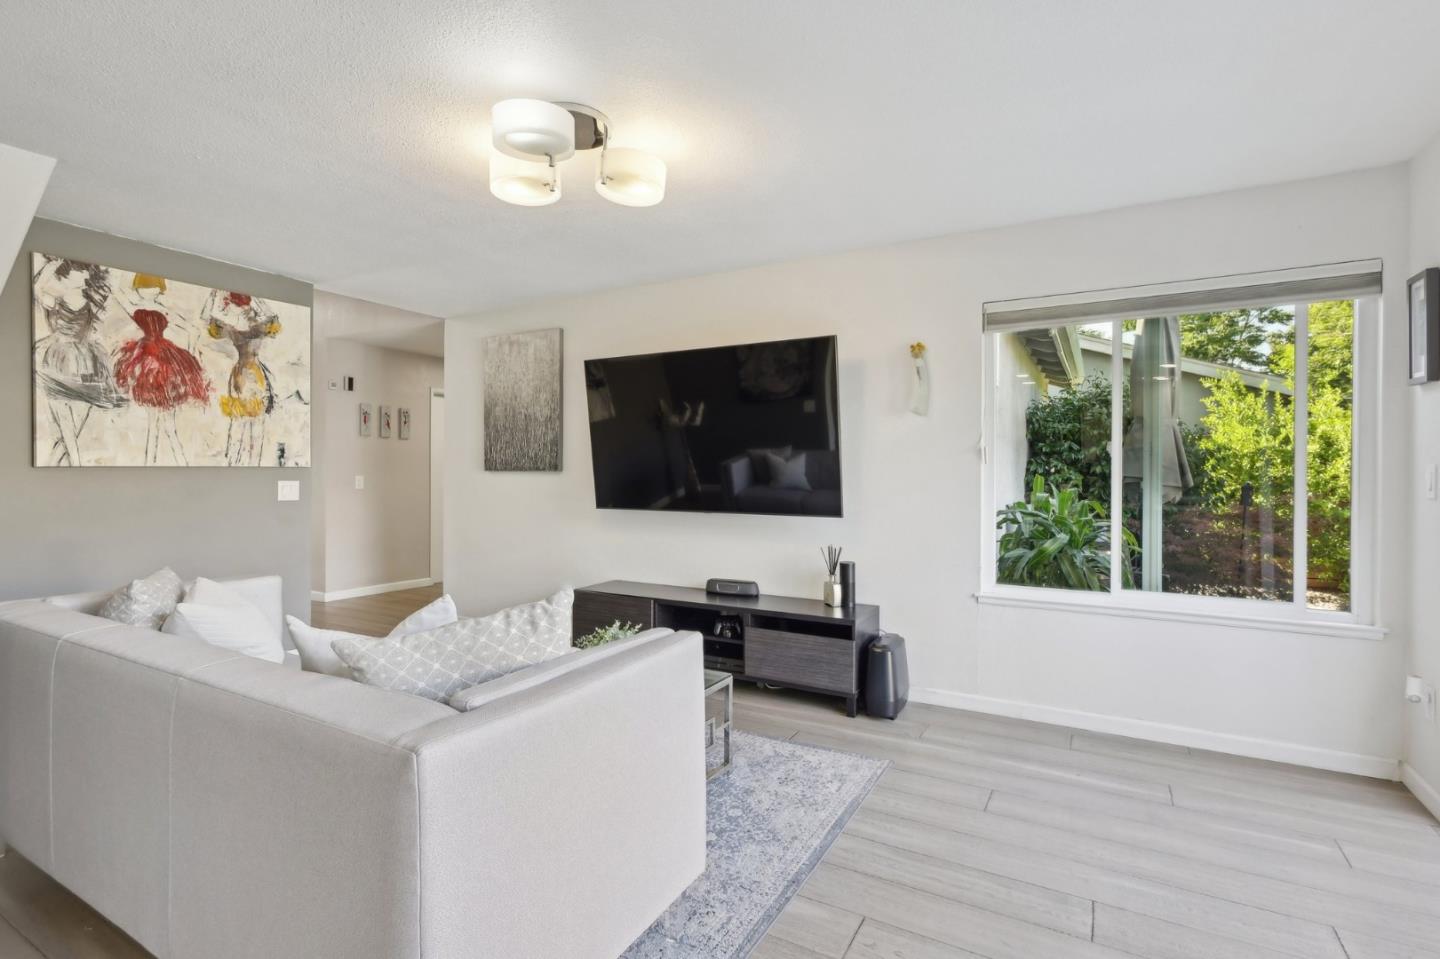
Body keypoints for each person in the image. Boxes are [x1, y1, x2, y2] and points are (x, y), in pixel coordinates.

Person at [32, 256, 127, 466]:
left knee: (73, 429)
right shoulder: (53, 300)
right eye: (76, 276)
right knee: (66, 425)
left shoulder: (91, 303)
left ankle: (53, 466)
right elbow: (37, 287)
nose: (82, 280)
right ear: (65, 278)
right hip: (56, 361)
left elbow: (108, 294)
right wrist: (54, 264)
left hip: (86, 363)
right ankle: (76, 466)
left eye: (85, 277)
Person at [112, 273, 210, 464]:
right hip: (149, 362)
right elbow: (118, 294)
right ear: (138, 289)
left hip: (161, 362)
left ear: (159, 290)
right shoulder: (141, 308)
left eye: (153, 288)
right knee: (156, 420)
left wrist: (188, 356)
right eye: (144, 288)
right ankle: (159, 462)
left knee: (163, 420)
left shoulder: (158, 309)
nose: (148, 292)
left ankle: (165, 461)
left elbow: (192, 330)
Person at [201, 288, 281, 465]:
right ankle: (239, 462)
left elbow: (209, 321)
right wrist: (214, 295)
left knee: (244, 422)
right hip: (247, 377)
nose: (247, 313)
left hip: (246, 376)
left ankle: (239, 463)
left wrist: (215, 296)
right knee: (245, 422)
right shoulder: (246, 330)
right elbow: (272, 318)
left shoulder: (238, 331)